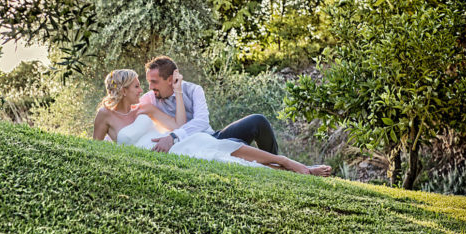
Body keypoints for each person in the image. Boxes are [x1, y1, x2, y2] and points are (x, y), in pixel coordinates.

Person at [92, 69, 331, 176]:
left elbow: (178, 127)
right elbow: (95, 148)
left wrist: (171, 129)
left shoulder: (145, 106)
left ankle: (288, 162)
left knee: (217, 146)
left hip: (174, 143)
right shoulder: (105, 115)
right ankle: (294, 171)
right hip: (156, 154)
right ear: (123, 90)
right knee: (224, 158)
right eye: (136, 85)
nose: (142, 88)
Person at [140, 56, 281, 155]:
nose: (150, 86)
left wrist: (173, 136)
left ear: (170, 79)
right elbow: (129, 111)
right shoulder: (150, 98)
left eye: (154, 82)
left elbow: (202, 121)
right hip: (196, 146)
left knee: (258, 121)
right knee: (236, 143)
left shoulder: (194, 90)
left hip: (212, 138)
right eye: (149, 82)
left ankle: (275, 162)